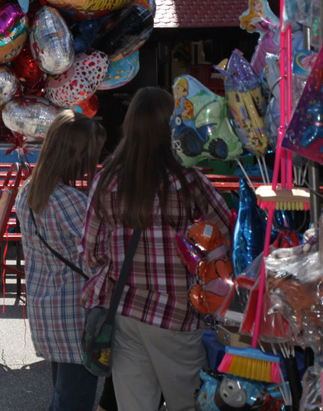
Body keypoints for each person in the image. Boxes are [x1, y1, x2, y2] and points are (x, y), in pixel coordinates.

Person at [82, 87, 233, 411]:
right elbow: (227, 232)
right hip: (178, 315)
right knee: (190, 404)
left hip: (124, 313)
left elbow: (91, 254)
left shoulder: (106, 179)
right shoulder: (188, 179)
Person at [15, 111, 105, 411]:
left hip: (47, 309)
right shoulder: (70, 200)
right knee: (73, 402)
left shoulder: (28, 191)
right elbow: (100, 257)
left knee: (63, 396)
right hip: (76, 315)